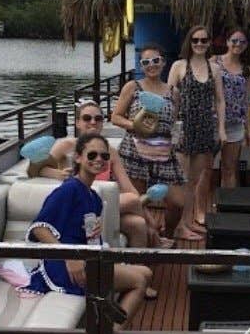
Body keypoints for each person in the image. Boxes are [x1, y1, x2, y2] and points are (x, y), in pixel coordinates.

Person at [25, 132, 152, 334]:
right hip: (65, 266)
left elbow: (90, 237)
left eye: (104, 156)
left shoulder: (92, 196)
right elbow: (40, 228)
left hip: (86, 259)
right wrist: (69, 257)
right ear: (78, 158)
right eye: (92, 155)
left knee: (145, 272)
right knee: (139, 280)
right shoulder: (69, 190)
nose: (99, 160)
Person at [31, 100, 169, 253]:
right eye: (87, 118)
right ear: (77, 122)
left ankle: (137, 264)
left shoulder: (110, 152)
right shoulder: (67, 145)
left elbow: (129, 188)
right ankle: (154, 238)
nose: (93, 122)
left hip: (98, 203)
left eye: (98, 119)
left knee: (138, 223)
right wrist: (57, 174)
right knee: (132, 200)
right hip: (76, 204)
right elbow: (36, 169)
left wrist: (147, 219)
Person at [111, 44, 185, 235]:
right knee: (138, 200)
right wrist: (134, 125)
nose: (151, 65)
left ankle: (168, 234)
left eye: (156, 60)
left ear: (163, 62)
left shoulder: (173, 92)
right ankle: (149, 235)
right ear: (141, 66)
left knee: (177, 203)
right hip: (134, 151)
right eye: (146, 62)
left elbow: (172, 121)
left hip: (163, 153)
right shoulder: (132, 87)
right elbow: (115, 117)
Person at [167, 25, 226, 241]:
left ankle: (188, 221)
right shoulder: (179, 66)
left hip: (205, 127)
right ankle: (179, 225)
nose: (199, 44)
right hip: (183, 127)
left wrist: (221, 129)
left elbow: (220, 100)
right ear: (189, 42)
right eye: (195, 40)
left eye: (204, 40)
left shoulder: (215, 69)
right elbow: (169, 97)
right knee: (182, 179)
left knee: (195, 180)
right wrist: (169, 129)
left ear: (209, 43)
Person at [215, 27, 250, 187]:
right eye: (234, 40)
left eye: (242, 42)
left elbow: (246, 101)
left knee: (229, 169)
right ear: (227, 42)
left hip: (235, 125)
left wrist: (248, 129)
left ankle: (227, 201)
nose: (238, 44)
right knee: (205, 169)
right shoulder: (214, 62)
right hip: (213, 122)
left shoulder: (247, 70)